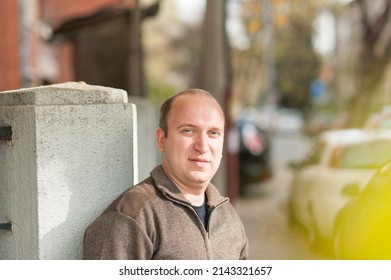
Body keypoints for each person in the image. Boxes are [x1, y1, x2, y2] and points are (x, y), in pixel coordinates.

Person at [82, 89, 249, 260]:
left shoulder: (228, 217)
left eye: (213, 133)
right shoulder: (130, 218)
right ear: (162, 140)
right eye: (188, 131)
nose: (203, 146)